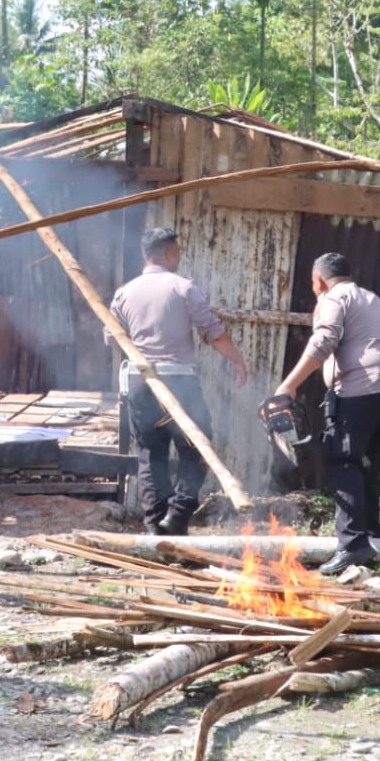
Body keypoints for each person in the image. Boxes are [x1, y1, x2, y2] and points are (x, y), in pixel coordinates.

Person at [275, 253, 380, 574]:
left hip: (361, 389)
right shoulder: (371, 298)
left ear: (319, 280)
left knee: (342, 459)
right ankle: (371, 536)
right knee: (367, 463)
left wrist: (288, 386)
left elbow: (324, 340)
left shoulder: (334, 297)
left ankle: (351, 544)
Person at [108, 227, 249, 537]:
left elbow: (113, 337)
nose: (180, 256)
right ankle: (178, 513)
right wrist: (236, 359)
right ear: (168, 252)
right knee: (196, 448)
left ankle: (156, 525)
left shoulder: (124, 292)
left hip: (140, 382)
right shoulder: (184, 288)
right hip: (179, 382)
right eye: (178, 250)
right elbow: (212, 331)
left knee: (150, 455)